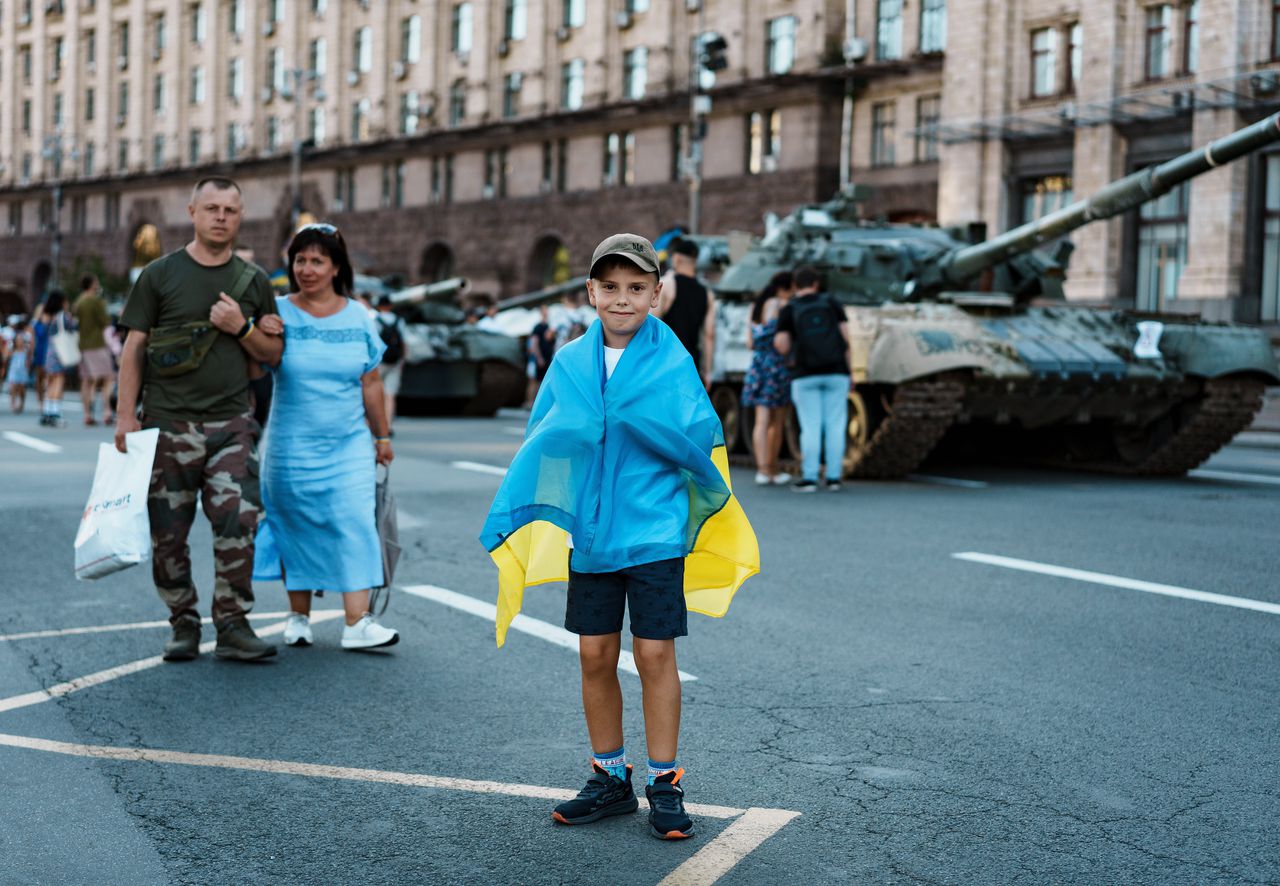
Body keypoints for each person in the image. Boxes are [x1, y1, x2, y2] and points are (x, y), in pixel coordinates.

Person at [480, 234, 759, 841]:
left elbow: (700, 438)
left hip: (655, 531)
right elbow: (544, 438)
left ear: (656, 293)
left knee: (656, 656)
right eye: (610, 287)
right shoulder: (570, 361)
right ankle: (610, 778)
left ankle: (666, 781)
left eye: (636, 288)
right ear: (591, 292)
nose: (623, 299)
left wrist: (641, 425)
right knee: (595, 655)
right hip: (595, 533)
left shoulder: (673, 359)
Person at [115, 176, 284, 663]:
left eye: (230, 210)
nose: (220, 218)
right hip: (167, 425)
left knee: (239, 521)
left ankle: (232, 623)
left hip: (231, 424)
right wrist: (126, 416)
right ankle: (183, 622)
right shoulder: (160, 275)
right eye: (211, 208)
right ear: (191, 211)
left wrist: (243, 327)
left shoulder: (252, 282)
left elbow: (271, 352)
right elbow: (135, 348)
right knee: (168, 532)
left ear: (240, 216)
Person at [252, 223, 400, 651]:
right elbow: (258, 363)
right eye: (300, 260)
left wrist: (382, 438)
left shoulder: (358, 316)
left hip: (349, 444)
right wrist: (256, 331)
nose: (307, 268)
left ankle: (357, 622)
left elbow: (371, 382)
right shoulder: (277, 311)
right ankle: (298, 615)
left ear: (336, 267)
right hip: (289, 446)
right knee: (294, 524)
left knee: (354, 522)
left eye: (318, 260)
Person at [773, 266, 851, 493]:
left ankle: (810, 477)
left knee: (810, 426)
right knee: (836, 424)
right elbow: (846, 338)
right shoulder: (832, 302)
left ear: (796, 286)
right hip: (837, 371)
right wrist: (850, 370)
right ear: (816, 284)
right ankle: (834, 478)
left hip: (805, 374)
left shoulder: (790, 308)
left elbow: (781, 344)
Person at [742, 271, 794, 486]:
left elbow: (750, 343)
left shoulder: (755, 307)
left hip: (758, 365)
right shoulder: (780, 305)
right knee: (777, 420)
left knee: (761, 420)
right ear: (786, 287)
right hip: (777, 365)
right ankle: (771, 467)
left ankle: (762, 469)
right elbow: (780, 339)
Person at [655, 238, 716, 390]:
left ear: (676, 258)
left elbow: (650, 323)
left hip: (665, 363)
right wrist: (708, 371)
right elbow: (709, 335)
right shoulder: (707, 293)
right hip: (691, 365)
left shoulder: (667, 285)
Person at [73, 274, 116, 426]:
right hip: (96, 343)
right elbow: (105, 321)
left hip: (82, 345)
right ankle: (107, 411)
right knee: (107, 378)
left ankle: (87, 413)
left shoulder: (78, 302)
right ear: (92, 284)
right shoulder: (95, 301)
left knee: (86, 380)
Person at [39, 290, 74, 428]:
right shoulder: (63, 317)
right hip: (60, 352)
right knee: (58, 381)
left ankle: (47, 411)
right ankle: (55, 413)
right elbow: (72, 329)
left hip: (50, 351)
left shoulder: (47, 316)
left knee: (50, 382)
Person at [374, 295, 407, 433]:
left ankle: (376, 423)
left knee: (376, 392)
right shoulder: (399, 320)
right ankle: (388, 425)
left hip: (379, 361)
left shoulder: (375, 320)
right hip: (395, 361)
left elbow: (373, 342)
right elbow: (404, 342)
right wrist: (403, 359)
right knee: (390, 395)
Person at [525, 303, 556, 406]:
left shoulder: (549, 326)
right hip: (538, 359)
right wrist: (538, 358)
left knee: (544, 381)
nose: (546, 312)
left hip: (547, 358)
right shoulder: (537, 327)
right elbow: (534, 343)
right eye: (544, 310)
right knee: (534, 381)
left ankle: (539, 403)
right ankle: (530, 402)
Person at [5, 319, 32, 414]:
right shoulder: (12, 351)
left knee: (21, 389)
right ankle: (13, 404)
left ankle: (21, 403)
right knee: (13, 387)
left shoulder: (26, 350)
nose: (19, 341)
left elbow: (29, 359)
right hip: (13, 371)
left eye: (21, 340)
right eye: (18, 340)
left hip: (22, 371)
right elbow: (6, 357)